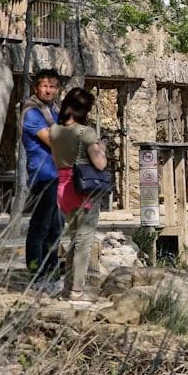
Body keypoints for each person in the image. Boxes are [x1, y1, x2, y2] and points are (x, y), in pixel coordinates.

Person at [50, 88, 108, 302]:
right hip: (83, 190)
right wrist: (102, 148)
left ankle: (68, 288)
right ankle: (77, 291)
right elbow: (100, 164)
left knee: (74, 238)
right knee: (84, 241)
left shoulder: (54, 130)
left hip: (63, 187)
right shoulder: (86, 132)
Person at [21, 69, 64, 284]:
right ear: (36, 88)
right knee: (40, 227)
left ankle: (51, 272)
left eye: (52, 86)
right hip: (44, 176)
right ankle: (35, 275)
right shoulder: (32, 113)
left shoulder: (54, 111)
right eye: (44, 86)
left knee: (56, 228)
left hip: (60, 176)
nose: (48, 90)